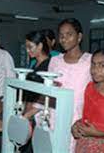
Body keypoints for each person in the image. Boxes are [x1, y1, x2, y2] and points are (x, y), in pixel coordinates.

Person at [33, 18, 92, 153]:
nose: (64, 39)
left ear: (79, 37)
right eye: (61, 35)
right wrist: (27, 115)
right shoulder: (55, 61)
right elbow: (47, 92)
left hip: (75, 121)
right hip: (52, 117)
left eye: (69, 34)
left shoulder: (89, 61)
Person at [19, 30, 51, 153]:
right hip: (29, 112)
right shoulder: (34, 64)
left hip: (38, 115)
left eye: (30, 47)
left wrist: (28, 115)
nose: (27, 50)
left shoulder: (49, 65)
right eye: (26, 47)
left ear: (40, 46)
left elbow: (46, 97)